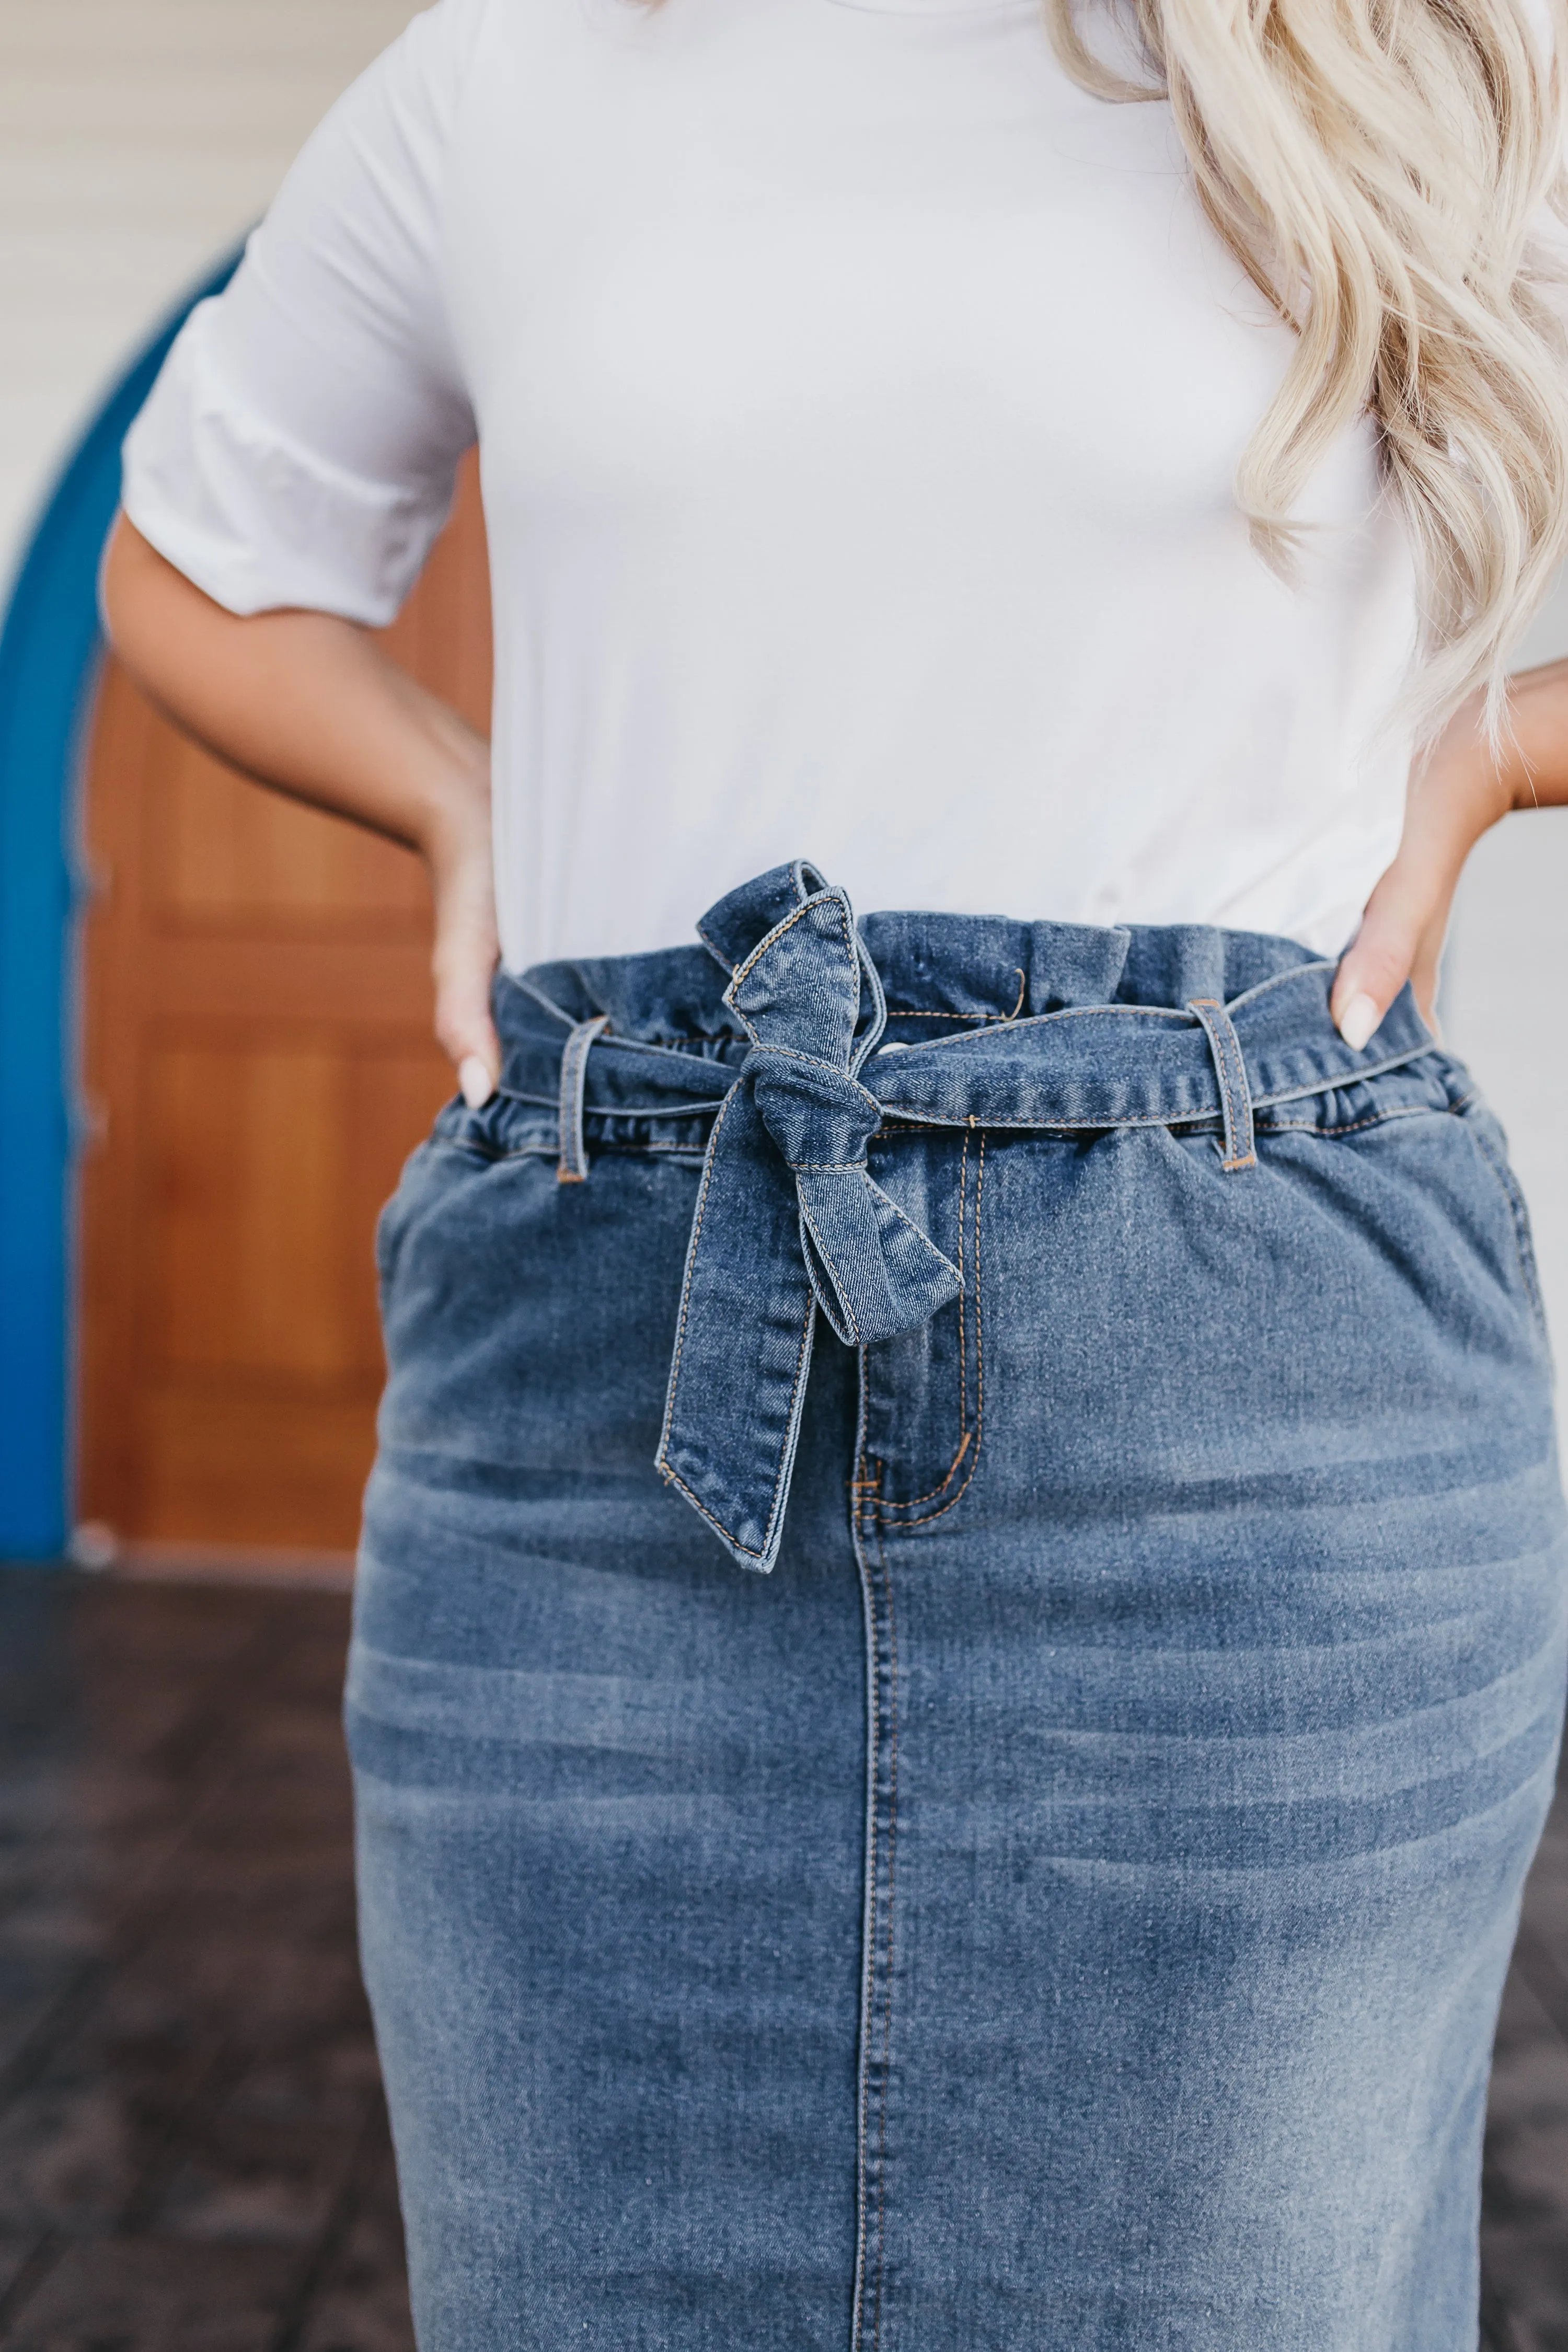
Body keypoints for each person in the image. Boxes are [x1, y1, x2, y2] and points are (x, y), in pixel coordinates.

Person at [100, 0, 1568, 2338]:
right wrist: (460, 794)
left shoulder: (1409, 59)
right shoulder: (510, 74)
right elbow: (201, 559)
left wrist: (1489, 751)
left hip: (1253, 1391)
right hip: (595, 1366)